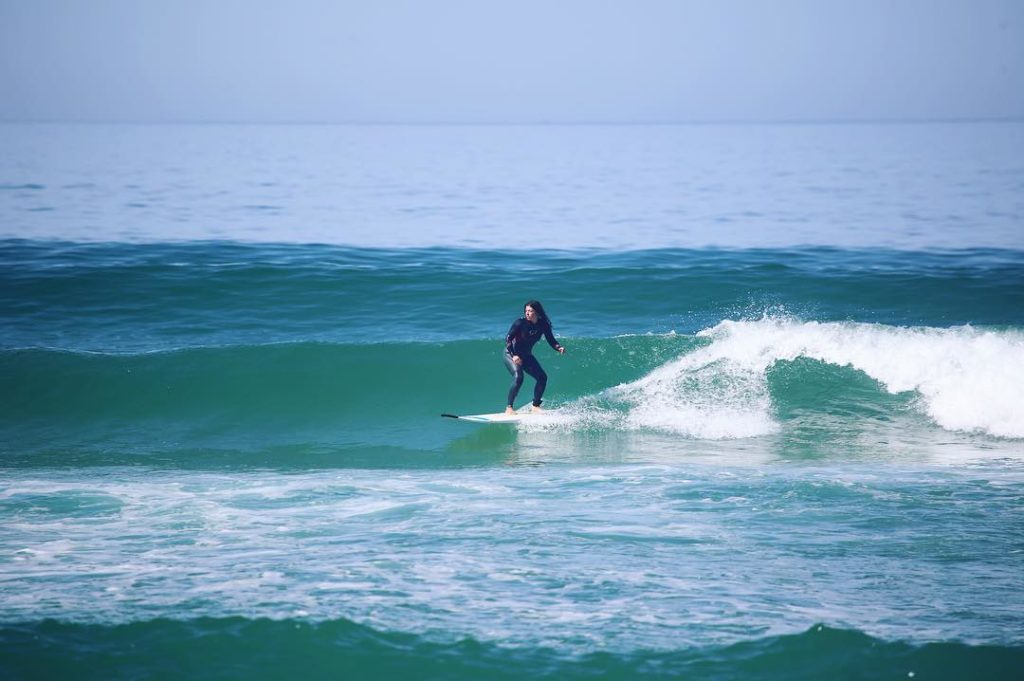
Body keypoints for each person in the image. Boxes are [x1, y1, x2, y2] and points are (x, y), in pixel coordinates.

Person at [503, 300, 565, 414]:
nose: (527, 313)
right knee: (519, 377)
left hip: (526, 355)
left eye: (530, 311)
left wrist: (558, 347)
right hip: (511, 354)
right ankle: (509, 408)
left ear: (537, 312)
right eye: (526, 311)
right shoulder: (519, 323)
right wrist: (514, 355)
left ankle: (535, 406)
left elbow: (550, 339)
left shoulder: (543, 324)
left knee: (542, 377)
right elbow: (508, 339)